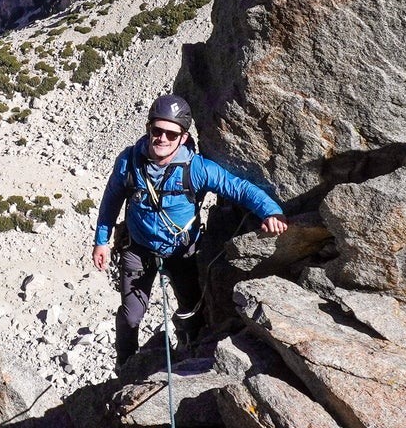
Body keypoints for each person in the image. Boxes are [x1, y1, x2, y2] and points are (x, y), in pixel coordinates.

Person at [92, 94, 286, 371]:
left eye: (171, 134)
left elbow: (239, 187)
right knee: (131, 315)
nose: (162, 138)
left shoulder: (196, 169)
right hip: (138, 249)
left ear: (183, 137)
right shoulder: (129, 162)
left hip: (181, 251)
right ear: (148, 129)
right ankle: (125, 364)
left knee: (190, 308)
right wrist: (102, 241)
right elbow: (111, 200)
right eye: (156, 130)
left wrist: (271, 211)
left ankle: (189, 346)